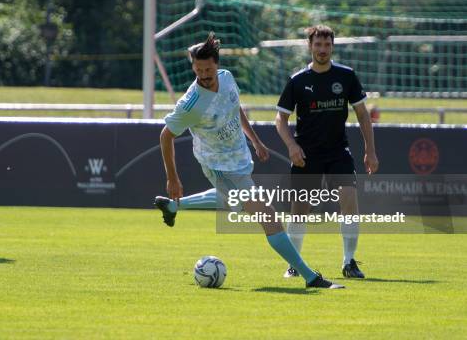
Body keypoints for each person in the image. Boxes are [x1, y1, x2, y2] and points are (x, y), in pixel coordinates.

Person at [154, 32, 344, 289]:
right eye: (198, 70)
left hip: (239, 160)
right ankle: (310, 277)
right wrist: (173, 178)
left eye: (208, 69)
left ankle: (173, 207)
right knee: (269, 216)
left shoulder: (227, 78)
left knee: (230, 202)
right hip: (218, 166)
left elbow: (235, 106)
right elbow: (166, 136)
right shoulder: (191, 104)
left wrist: (255, 140)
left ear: (217, 65)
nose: (204, 75)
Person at [275, 25, 379, 279]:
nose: (322, 50)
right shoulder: (298, 81)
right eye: (318, 45)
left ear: (333, 46)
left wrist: (370, 151)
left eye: (327, 45)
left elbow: (363, 114)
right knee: (299, 209)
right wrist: (292, 146)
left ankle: (349, 262)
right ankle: (295, 264)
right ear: (310, 46)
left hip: (337, 152)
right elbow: (280, 119)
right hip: (307, 153)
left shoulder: (346, 76)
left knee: (349, 200)